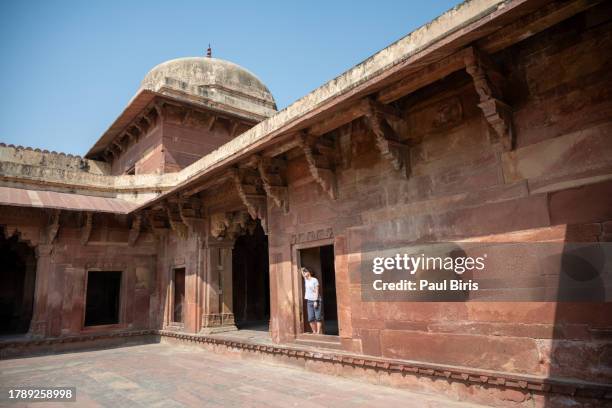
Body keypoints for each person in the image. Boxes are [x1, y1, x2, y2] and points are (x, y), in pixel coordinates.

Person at [300, 267, 322, 334]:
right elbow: (302, 272)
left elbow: (317, 291)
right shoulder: (306, 280)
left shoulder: (314, 280)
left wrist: (315, 301)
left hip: (316, 300)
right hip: (309, 301)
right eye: (304, 272)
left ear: (309, 272)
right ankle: (314, 331)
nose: (304, 273)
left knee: (318, 317)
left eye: (305, 271)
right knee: (310, 318)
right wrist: (302, 269)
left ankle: (318, 332)